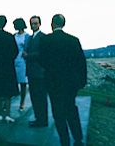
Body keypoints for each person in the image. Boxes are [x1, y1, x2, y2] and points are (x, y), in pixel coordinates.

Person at [40, 14, 87, 146]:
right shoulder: (73, 40)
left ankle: (64, 140)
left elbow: (42, 61)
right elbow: (81, 63)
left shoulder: (45, 40)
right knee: (71, 109)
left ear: (52, 24)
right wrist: (81, 81)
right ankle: (78, 138)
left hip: (53, 82)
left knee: (58, 112)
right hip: (70, 83)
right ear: (63, 24)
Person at [23, 15, 48, 128]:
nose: (33, 25)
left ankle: (42, 120)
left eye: (35, 23)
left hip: (40, 72)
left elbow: (43, 53)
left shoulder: (43, 37)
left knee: (41, 97)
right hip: (31, 72)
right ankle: (38, 118)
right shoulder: (29, 38)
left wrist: (28, 56)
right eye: (32, 23)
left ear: (39, 24)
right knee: (34, 96)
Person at [12, 18, 29, 111]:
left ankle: (22, 102)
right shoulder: (14, 36)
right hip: (14, 60)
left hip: (23, 62)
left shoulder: (27, 36)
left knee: (23, 83)